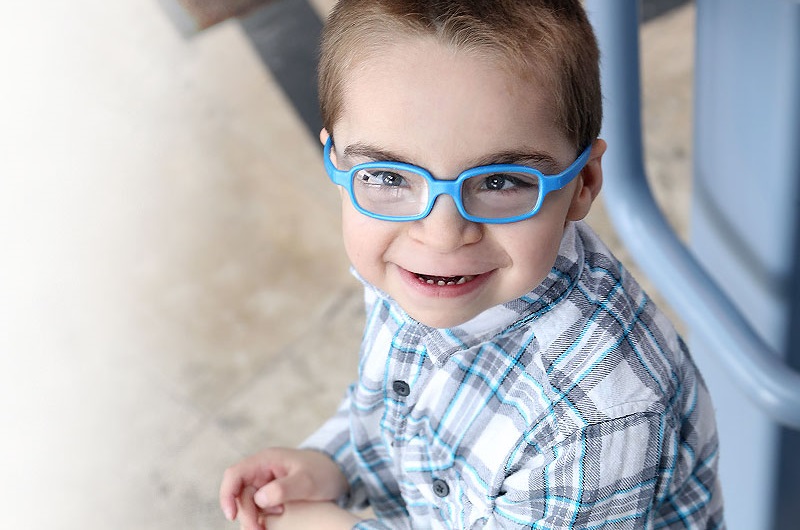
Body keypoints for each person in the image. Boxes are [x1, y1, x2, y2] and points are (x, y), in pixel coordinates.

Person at [219, 0, 725, 528]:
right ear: (337, 161)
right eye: (389, 177)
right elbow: (399, 406)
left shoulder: (596, 421)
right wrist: (332, 464)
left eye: (499, 181)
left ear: (584, 183)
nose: (440, 235)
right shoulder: (414, 274)